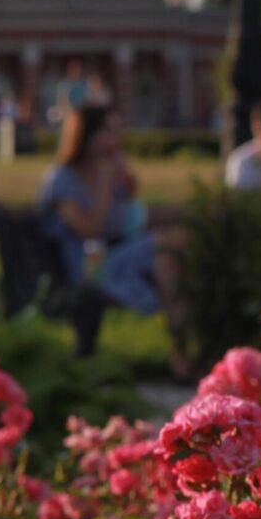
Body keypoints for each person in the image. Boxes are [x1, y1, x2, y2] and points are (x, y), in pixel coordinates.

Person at [39, 106, 190, 375]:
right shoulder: (61, 179)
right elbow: (91, 230)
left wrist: (125, 183)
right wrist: (107, 180)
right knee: (172, 241)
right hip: (88, 270)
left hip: (114, 256)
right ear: (87, 135)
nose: (117, 139)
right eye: (109, 131)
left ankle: (180, 356)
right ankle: (182, 355)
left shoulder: (104, 172)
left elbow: (123, 219)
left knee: (166, 259)